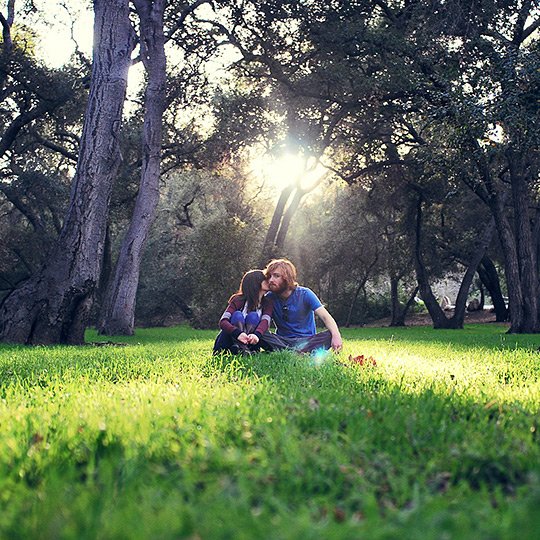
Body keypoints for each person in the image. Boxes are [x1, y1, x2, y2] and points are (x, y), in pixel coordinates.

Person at [260, 258, 343, 353]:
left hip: (307, 341)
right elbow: (263, 321)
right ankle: (298, 352)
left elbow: (325, 317)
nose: (271, 280)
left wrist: (336, 336)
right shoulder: (269, 298)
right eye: (269, 276)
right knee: (259, 333)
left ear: (287, 277)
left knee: (330, 334)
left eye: (276, 276)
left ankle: (288, 352)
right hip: (282, 340)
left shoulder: (305, 294)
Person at [213, 270, 273, 355]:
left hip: (252, 342)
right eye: (265, 279)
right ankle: (241, 348)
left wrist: (256, 335)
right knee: (237, 315)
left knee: (253, 316)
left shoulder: (267, 303)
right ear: (255, 283)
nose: (269, 281)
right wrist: (238, 334)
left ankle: (243, 349)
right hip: (229, 343)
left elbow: (265, 322)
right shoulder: (238, 300)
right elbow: (223, 321)